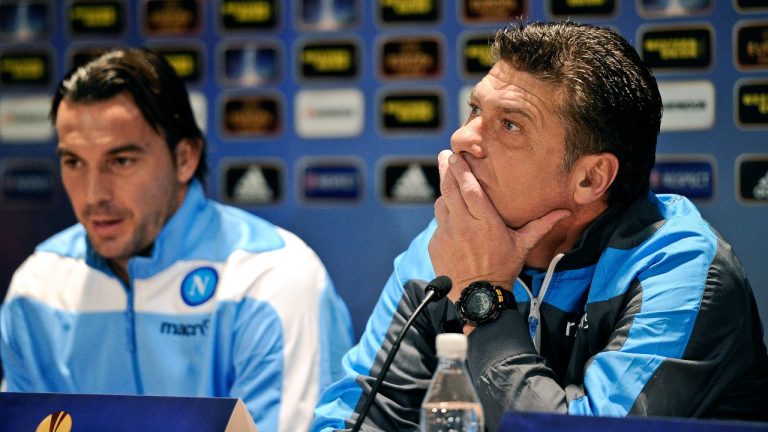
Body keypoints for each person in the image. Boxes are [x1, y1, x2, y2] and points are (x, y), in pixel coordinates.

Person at [312, 21, 768, 431]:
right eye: (476, 111)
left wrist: (483, 293)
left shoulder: (683, 268)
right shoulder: (446, 248)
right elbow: (350, 421)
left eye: (509, 125)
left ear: (590, 178)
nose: (463, 139)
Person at [0, 47, 353, 432]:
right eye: (74, 162)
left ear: (185, 157)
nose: (92, 195)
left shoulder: (271, 279)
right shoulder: (37, 288)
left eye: (121, 161)